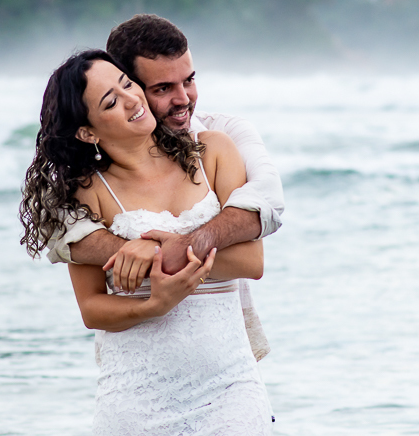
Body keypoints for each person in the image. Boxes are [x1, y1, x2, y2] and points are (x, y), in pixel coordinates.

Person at [20, 49, 273, 436]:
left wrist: (162, 250)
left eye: (127, 84)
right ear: (87, 132)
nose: (131, 99)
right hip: (138, 410)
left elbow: (251, 261)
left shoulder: (212, 152)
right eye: (110, 102)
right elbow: (93, 309)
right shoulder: (86, 194)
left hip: (228, 390)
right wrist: (155, 304)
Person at [46, 15, 285, 295]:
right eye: (163, 88)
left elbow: (266, 199)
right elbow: (61, 229)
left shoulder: (224, 134)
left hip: (233, 316)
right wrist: (129, 252)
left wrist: (167, 251)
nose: (184, 99)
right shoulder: (87, 182)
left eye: (189, 80)